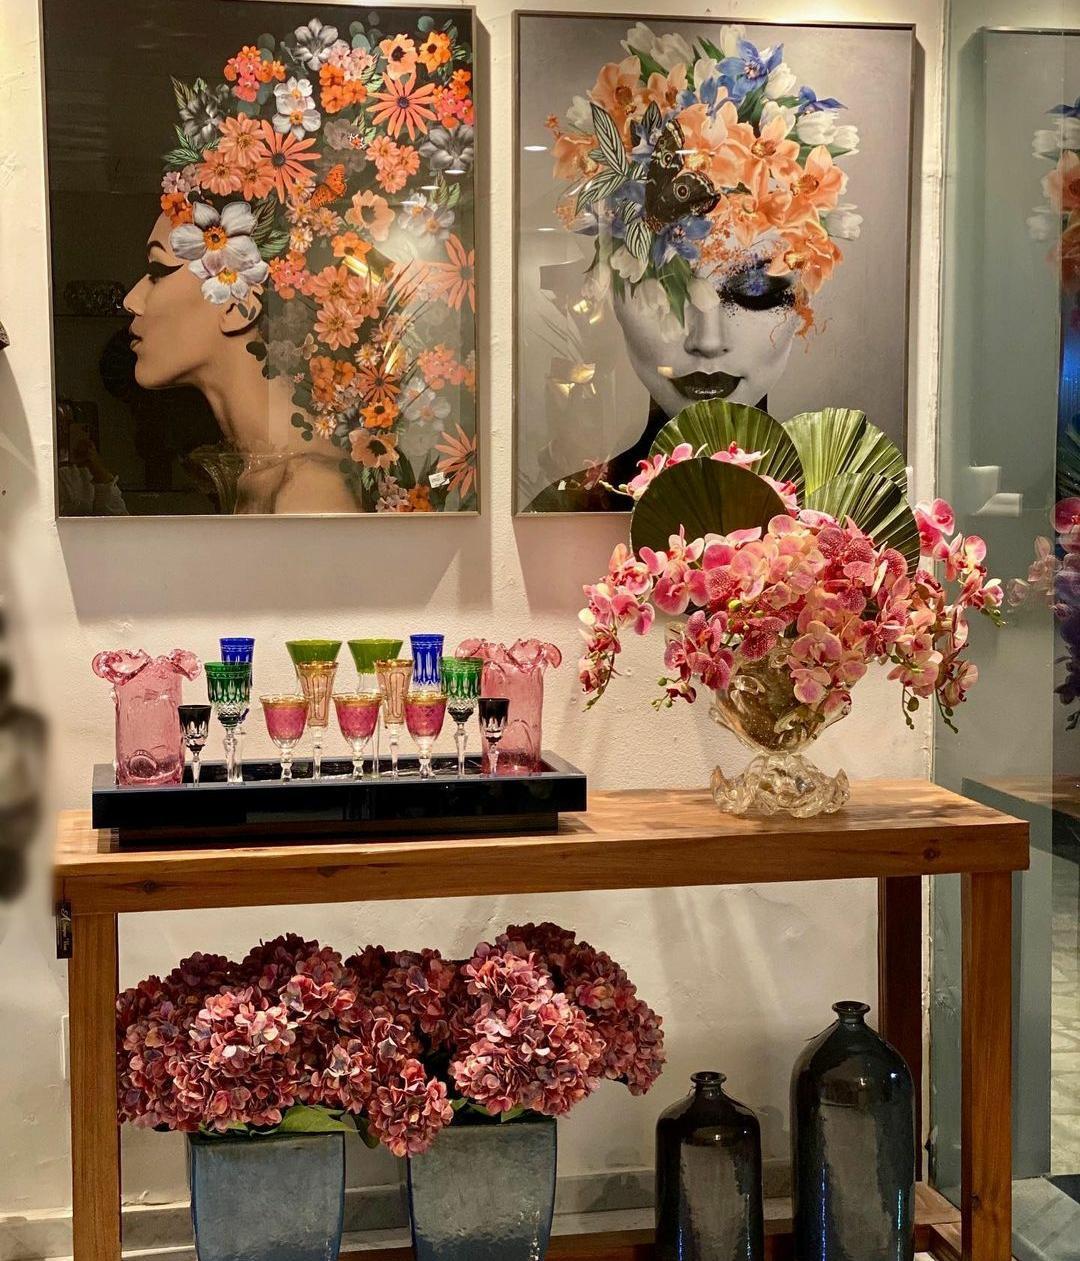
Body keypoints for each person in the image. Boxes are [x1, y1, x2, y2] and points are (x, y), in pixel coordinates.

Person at [124, 14, 478, 514]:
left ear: (241, 303)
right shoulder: (261, 478)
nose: (131, 299)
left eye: (159, 271)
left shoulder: (307, 492)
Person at [526, 21, 862, 511]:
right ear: (613, 290)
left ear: (802, 297)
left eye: (754, 289)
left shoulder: (845, 523)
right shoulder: (564, 514)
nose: (706, 340)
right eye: (668, 285)